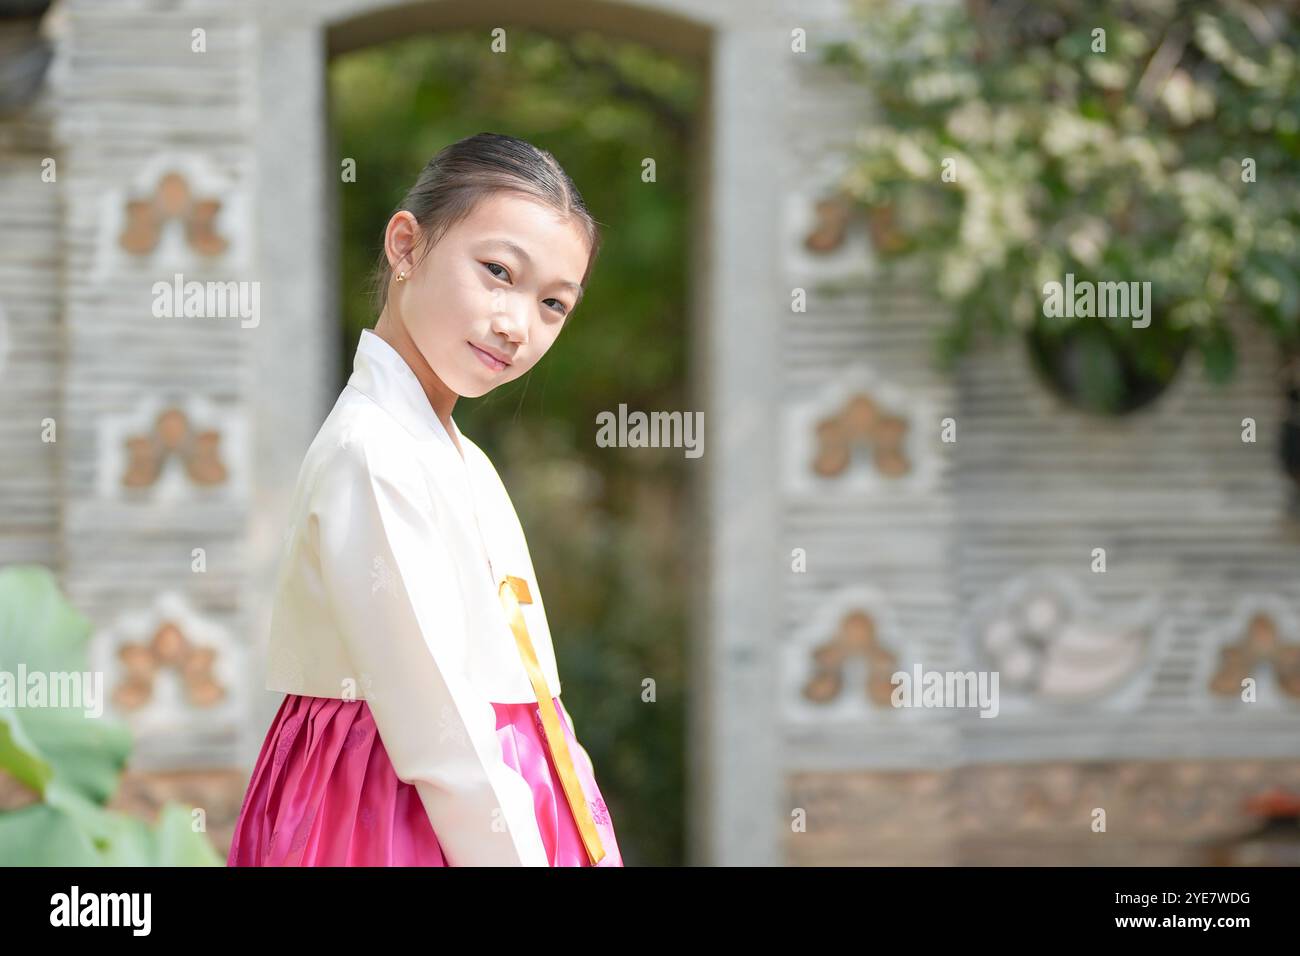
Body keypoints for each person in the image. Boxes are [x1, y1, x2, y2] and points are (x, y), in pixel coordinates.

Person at [227, 132, 622, 867]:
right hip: (393, 817)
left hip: (487, 804)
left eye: (553, 305)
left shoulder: (456, 456)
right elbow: (443, 738)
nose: (516, 325)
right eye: (498, 271)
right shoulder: (373, 456)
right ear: (406, 246)